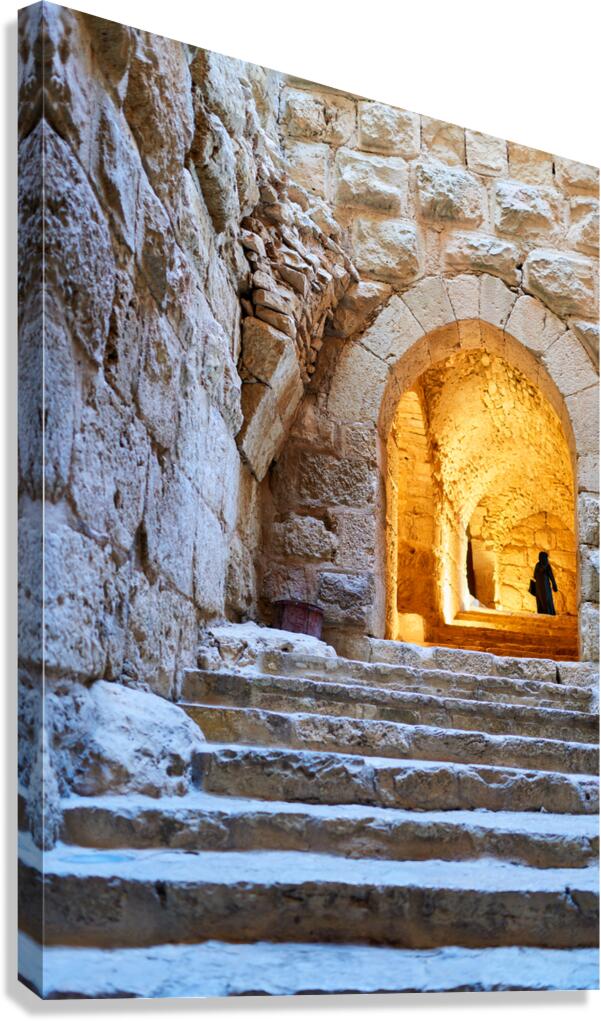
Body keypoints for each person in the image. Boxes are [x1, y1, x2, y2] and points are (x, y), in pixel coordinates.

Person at [533, 551, 558, 615]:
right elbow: (551, 576)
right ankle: (547, 613)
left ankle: (545, 613)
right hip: (543, 586)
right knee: (545, 600)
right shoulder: (545, 565)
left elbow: (535, 576)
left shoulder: (539, 565)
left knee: (543, 600)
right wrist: (554, 584)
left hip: (541, 586)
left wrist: (554, 584)